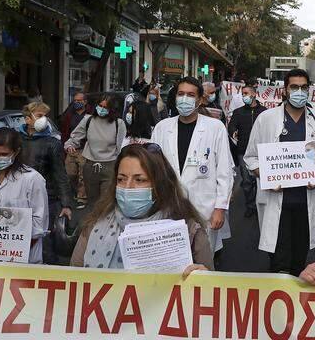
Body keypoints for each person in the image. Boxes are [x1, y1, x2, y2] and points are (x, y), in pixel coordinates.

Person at [243, 69, 315, 276]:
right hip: (277, 201)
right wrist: (267, 175)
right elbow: (250, 157)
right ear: (284, 91)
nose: (299, 92)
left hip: (306, 201)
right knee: (279, 261)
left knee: (299, 261)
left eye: (304, 87)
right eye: (294, 87)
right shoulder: (266, 119)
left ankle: (295, 302)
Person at [70, 144, 214, 272]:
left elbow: (210, 292)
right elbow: (73, 281)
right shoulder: (96, 223)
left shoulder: (189, 230)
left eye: (139, 180)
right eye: (121, 179)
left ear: (159, 185)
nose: (127, 187)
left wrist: (202, 278)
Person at [151, 76, 234, 253]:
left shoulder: (215, 127)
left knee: (202, 259)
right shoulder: (162, 128)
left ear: (199, 99)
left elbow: (225, 172)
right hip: (168, 206)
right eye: (181, 94)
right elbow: (152, 169)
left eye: (190, 95)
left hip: (204, 207)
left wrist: (220, 208)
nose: (185, 99)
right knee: (170, 259)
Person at [0, 128, 48, 264]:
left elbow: (40, 226)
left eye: (3, 154)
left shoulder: (32, 179)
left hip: (24, 259)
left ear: (16, 152)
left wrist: (13, 249)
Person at [19, 102, 73, 264]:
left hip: (46, 200)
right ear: (28, 120)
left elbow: (60, 174)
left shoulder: (52, 143)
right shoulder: (16, 140)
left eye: (46, 116)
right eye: (40, 116)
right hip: (19, 199)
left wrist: (66, 204)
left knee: (45, 243)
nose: (45, 120)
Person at [65, 95, 126, 212]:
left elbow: (120, 147)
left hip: (110, 165)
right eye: (100, 106)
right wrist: (70, 146)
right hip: (90, 165)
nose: (102, 109)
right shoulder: (88, 120)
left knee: (105, 202)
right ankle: (93, 225)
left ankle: (105, 225)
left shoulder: (119, 124)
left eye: (105, 107)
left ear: (112, 109)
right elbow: (75, 137)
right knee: (92, 203)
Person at [227, 82, 267, 218]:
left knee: (261, 180)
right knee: (247, 181)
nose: (244, 96)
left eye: (246, 93)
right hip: (243, 151)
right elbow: (231, 126)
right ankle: (250, 206)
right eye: (242, 94)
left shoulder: (264, 112)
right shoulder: (238, 112)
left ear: (254, 94)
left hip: (261, 151)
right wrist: (233, 131)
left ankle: (261, 204)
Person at [61, 92, 88, 205]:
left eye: (79, 100)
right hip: (70, 148)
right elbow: (64, 132)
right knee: (70, 173)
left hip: (84, 149)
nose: (77, 102)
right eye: (75, 100)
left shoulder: (89, 115)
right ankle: (73, 192)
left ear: (85, 102)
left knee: (82, 175)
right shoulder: (69, 115)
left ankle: (81, 197)